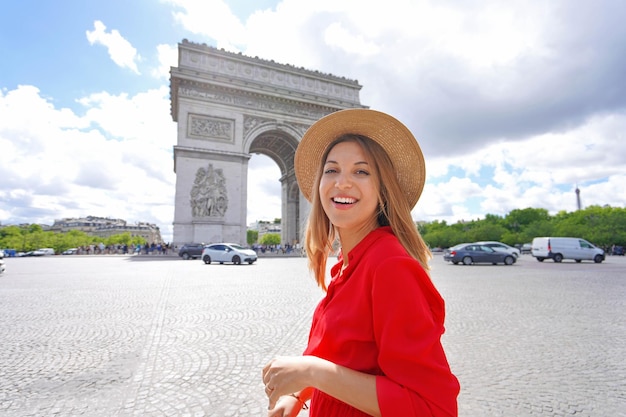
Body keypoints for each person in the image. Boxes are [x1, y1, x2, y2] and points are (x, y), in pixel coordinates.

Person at [262, 109, 460, 417]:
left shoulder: (389, 265)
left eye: (361, 172)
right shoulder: (348, 263)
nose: (342, 182)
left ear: (383, 189)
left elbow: (432, 408)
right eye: (331, 170)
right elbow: (345, 356)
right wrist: (299, 394)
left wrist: (312, 372)